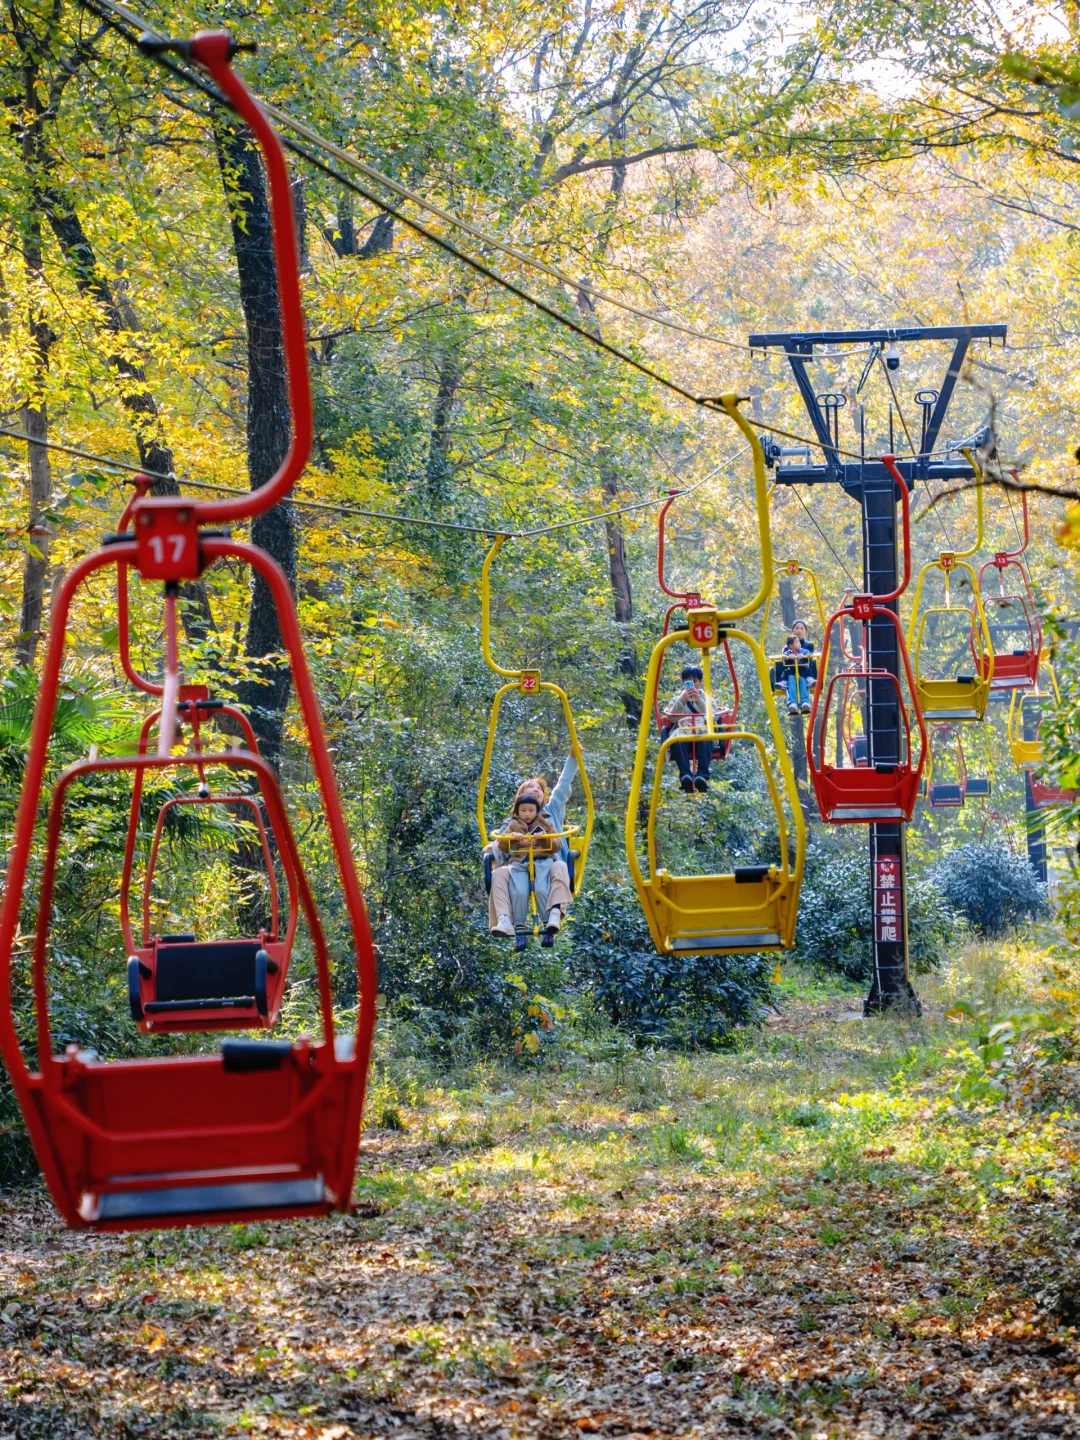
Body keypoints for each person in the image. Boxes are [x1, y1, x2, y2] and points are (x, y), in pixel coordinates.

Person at [487, 755, 578, 944]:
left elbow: (563, 785)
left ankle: (553, 916)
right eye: (530, 788)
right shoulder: (512, 821)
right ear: (521, 799)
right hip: (519, 864)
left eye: (539, 789)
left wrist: (573, 758)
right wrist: (501, 843)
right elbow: (500, 844)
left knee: (560, 867)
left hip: (549, 861)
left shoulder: (551, 811)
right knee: (498, 874)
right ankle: (505, 921)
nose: (535, 790)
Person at [662, 665, 712, 794]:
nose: (692, 685)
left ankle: (702, 775)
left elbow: (714, 717)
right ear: (684, 683)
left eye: (694, 681)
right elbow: (672, 718)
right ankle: (685, 775)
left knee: (707, 736)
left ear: (699, 682)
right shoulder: (677, 699)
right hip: (683, 729)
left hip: (701, 729)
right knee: (676, 739)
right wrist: (682, 700)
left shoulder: (706, 699)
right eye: (688, 682)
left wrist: (699, 701)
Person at [782, 620, 817, 715]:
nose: (799, 631)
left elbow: (808, 657)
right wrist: (789, 657)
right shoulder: (787, 648)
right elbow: (785, 659)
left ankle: (805, 702)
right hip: (791, 669)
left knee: (803, 677)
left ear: (805, 631)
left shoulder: (809, 645)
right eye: (797, 628)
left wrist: (804, 655)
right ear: (793, 630)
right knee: (790, 677)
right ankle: (792, 703)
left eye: (802, 629)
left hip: (804, 669)